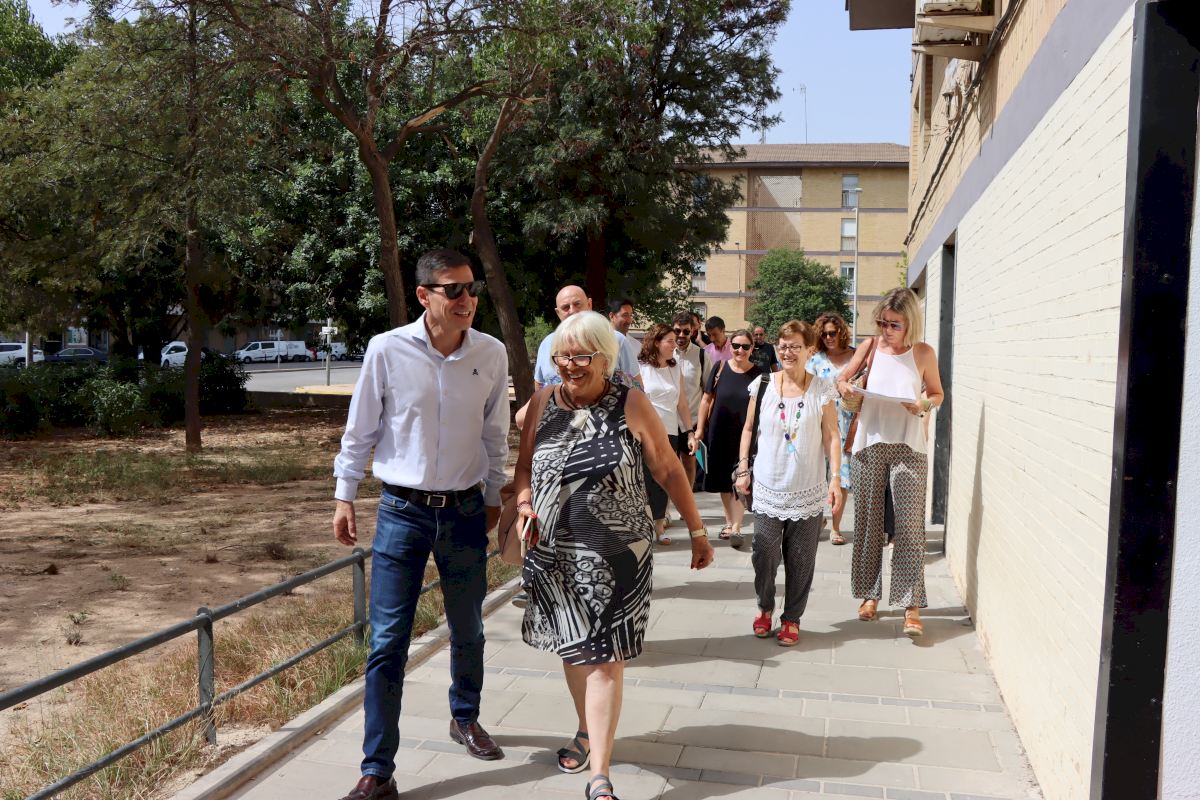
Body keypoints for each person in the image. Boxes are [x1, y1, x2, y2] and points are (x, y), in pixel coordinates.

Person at [511, 311, 714, 800]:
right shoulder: (542, 402)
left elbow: (668, 469)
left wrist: (698, 530)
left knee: (604, 659)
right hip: (553, 553)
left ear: (605, 358)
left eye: (581, 356)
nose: (569, 365)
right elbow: (523, 468)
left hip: (618, 554)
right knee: (573, 648)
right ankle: (586, 730)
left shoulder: (631, 403)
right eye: (562, 356)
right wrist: (523, 504)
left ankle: (599, 774)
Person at [331, 249, 509, 800]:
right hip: (401, 512)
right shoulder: (387, 350)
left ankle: (465, 716)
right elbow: (361, 428)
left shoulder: (491, 353)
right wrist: (344, 495)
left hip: (464, 512)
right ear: (424, 295)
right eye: (454, 290)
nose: (466, 299)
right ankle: (377, 768)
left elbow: (494, 433)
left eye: (472, 289)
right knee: (387, 642)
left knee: (468, 627)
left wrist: (494, 496)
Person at [836, 288, 945, 637]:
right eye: (883, 322)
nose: (886, 330)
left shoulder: (923, 353)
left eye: (894, 324)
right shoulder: (870, 347)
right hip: (869, 445)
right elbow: (842, 379)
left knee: (910, 528)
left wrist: (923, 405)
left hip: (909, 447)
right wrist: (845, 388)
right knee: (868, 524)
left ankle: (911, 606)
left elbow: (937, 393)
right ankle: (869, 595)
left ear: (910, 322)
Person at [735, 321, 843, 645]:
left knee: (801, 560)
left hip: (807, 488)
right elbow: (748, 428)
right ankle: (765, 606)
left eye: (795, 346)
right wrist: (743, 468)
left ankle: (792, 618)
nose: (787, 352)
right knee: (764, 553)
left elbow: (832, 435)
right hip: (769, 486)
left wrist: (835, 479)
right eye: (782, 346)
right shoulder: (763, 385)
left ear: (810, 350)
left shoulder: (822, 389)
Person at [696, 329, 762, 545]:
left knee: (740, 477)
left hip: (745, 434)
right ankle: (728, 522)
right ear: (730, 347)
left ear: (752, 348)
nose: (740, 350)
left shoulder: (759, 375)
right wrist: (699, 430)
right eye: (735, 346)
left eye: (745, 346)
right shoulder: (720, 367)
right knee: (724, 480)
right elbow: (706, 399)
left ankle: (736, 527)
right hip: (719, 431)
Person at [637, 323, 696, 545]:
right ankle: (642, 525)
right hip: (645, 432)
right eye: (670, 341)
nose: (674, 345)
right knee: (644, 479)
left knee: (664, 480)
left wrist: (689, 432)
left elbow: (682, 404)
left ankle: (659, 527)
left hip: (670, 432)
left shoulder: (675, 368)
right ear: (656, 342)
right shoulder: (641, 367)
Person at [806, 312, 856, 545]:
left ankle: (835, 527)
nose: (828, 337)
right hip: (819, 423)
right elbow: (805, 389)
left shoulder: (855, 357)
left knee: (841, 477)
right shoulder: (815, 360)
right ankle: (818, 519)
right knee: (818, 474)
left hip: (847, 423)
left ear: (841, 333)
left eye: (832, 333)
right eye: (824, 334)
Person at [534, 286, 640, 391]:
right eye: (566, 307)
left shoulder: (617, 340)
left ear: (589, 304)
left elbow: (637, 387)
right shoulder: (547, 344)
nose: (572, 311)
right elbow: (539, 386)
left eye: (577, 304)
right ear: (558, 313)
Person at [672, 311, 708, 491]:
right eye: (677, 331)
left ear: (693, 332)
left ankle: (687, 501)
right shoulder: (664, 352)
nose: (681, 335)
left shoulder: (701, 355)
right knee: (669, 465)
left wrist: (702, 424)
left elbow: (708, 391)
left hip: (691, 421)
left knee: (689, 463)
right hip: (668, 419)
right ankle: (667, 504)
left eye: (686, 331)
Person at [608, 297, 642, 374]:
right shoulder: (599, 342)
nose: (629, 320)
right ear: (612, 316)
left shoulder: (638, 346)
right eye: (625, 315)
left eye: (630, 315)